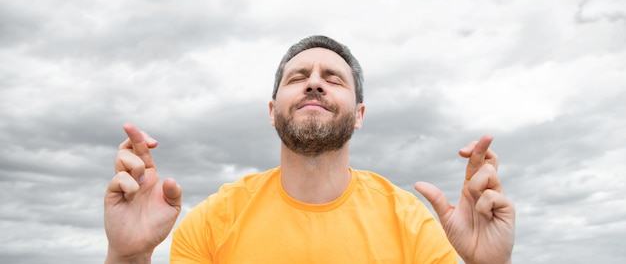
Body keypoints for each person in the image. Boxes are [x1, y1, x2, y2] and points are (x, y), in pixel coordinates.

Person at [104, 35, 515, 263]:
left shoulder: (410, 225)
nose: (314, 83)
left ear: (358, 114)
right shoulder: (213, 222)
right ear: (272, 111)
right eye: (298, 76)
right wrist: (127, 256)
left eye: (333, 78)